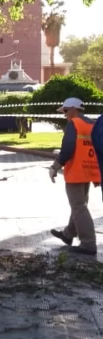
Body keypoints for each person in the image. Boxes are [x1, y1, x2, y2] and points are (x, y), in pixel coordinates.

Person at [49, 98, 99, 256]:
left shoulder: (74, 124)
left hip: (76, 171)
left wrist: (55, 166)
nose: (64, 115)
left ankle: (88, 244)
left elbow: (68, 148)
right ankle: (68, 234)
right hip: (90, 170)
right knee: (80, 204)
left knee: (79, 207)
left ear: (73, 109)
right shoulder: (92, 124)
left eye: (65, 111)